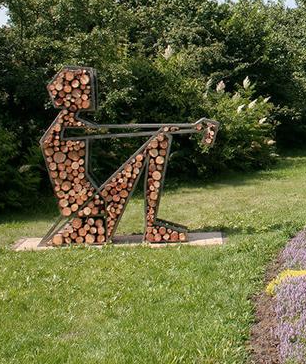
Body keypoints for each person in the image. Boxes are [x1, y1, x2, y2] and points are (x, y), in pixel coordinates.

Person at [40, 66, 218, 246]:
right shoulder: (63, 128)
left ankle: (151, 225)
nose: (90, 94)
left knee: (160, 136)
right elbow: (109, 133)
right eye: (86, 89)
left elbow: (109, 131)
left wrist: (190, 127)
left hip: (90, 201)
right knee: (159, 139)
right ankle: (151, 227)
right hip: (87, 204)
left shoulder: (68, 124)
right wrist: (191, 127)